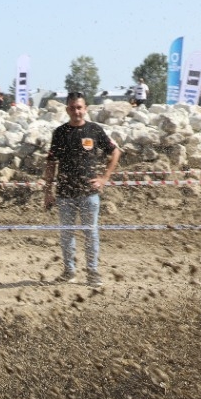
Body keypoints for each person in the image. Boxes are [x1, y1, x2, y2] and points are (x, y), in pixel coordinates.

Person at [42, 94, 119, 288]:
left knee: (90, 234)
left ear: (86, 108)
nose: (76, 111)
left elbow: (115, 151)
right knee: (67, 234)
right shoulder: (60, 133)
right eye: (72, 108)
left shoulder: (94, 130)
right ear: (67, 109)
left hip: (88, 194)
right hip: (65, 193)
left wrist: (104, 178)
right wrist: (47, 191)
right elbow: (51, 162)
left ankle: (92, 273)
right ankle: (69, 271)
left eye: (79, 107)